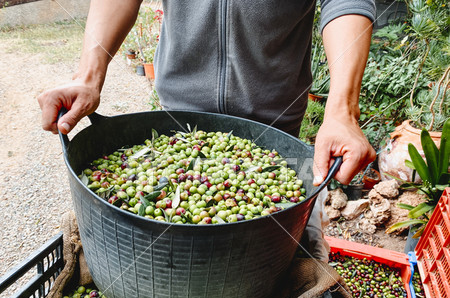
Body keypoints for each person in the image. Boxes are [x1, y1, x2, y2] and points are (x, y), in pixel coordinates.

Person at [38, 0, 376, 261]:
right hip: (177, 131)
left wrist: (342, 109)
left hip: (273, 138)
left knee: (282, 251)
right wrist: (88, 75)